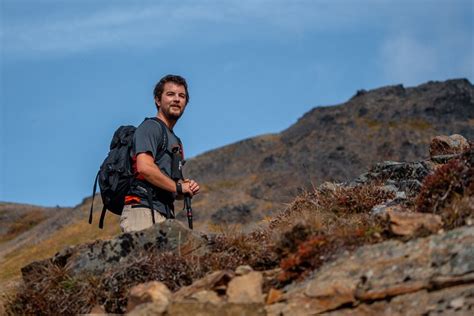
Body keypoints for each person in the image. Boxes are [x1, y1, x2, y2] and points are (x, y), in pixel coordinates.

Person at [120, 74, 200, 232]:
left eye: (181, 96)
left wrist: (185, 188)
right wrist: (178, 188)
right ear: (157, 100)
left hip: (164, 215)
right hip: (142, 210)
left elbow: (173, 189)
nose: (177, 99)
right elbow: (145, 167)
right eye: (170, 94)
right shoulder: (151, 127)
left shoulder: (176, 141)